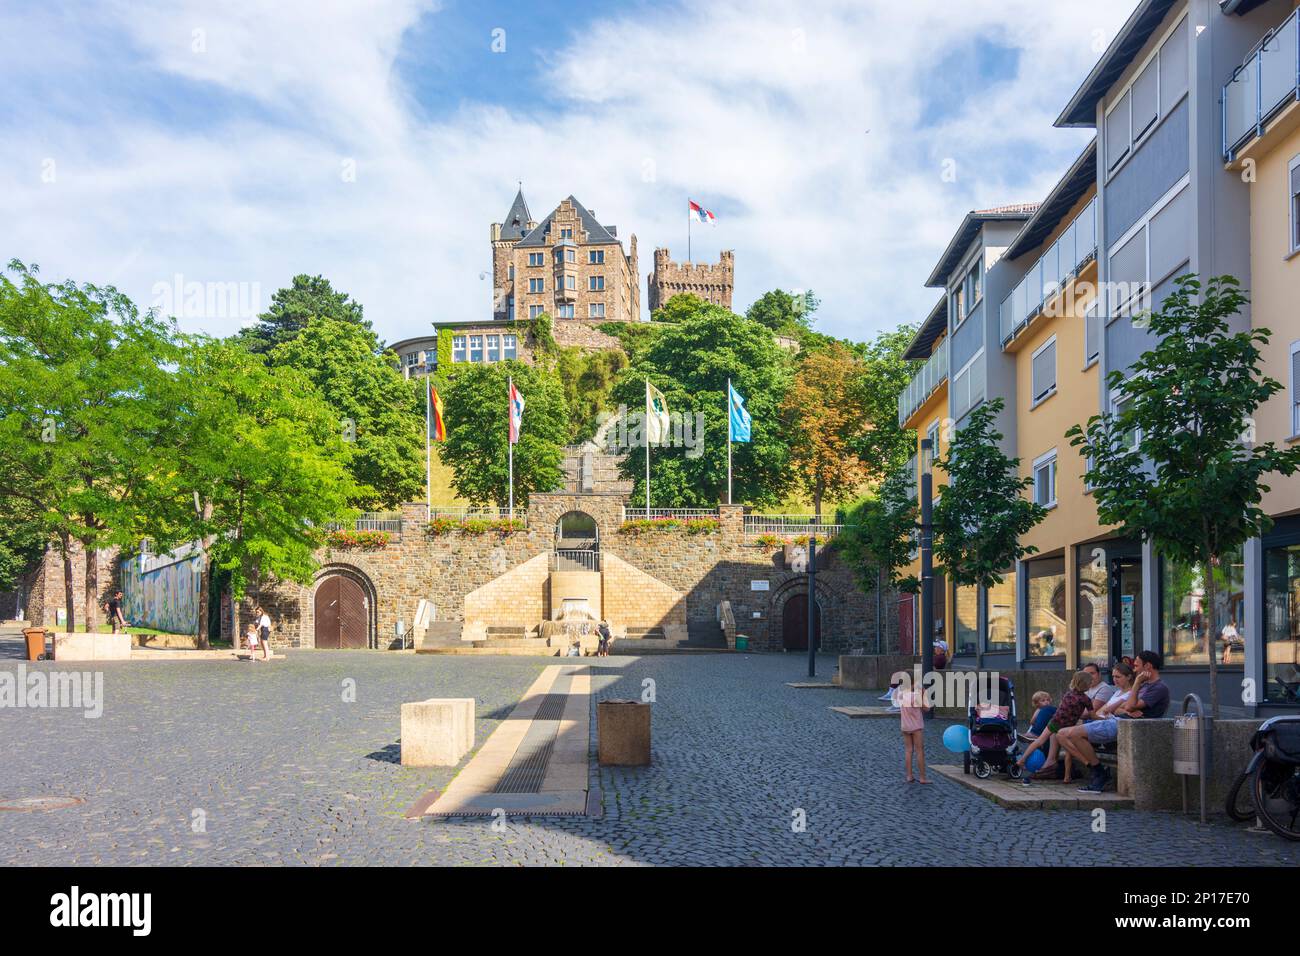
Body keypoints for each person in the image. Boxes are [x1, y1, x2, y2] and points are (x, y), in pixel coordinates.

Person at [1062, 651, 1169, 793]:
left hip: (1127, 726)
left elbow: (1128, 706)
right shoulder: (1144, 686)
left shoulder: (1157, 688)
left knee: (1073, 733)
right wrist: (1126, 707)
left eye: (1137, 666)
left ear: (1148, 666)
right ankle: (1098, 771)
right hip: (1119, 720)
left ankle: (1099, 773)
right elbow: (1122, 708)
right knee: (1062, 733)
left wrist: (1136, 684)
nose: (1135, 669)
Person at [1017, 671, 1095, 782]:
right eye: (1090, 682)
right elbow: (1092, 715)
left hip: (1055, 722)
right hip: (1068, 727)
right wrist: (1104, 719)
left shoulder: (1068, 694)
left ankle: (1022, 760)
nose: (1091, 684)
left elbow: (1062, 708)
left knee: (1039, 740)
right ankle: (1067, 776)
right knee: (1069, 751)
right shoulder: (1086, 699)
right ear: (1086, 684)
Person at [893, 677, 931, 784]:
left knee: (908, 751)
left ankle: (909, 776)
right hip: (916, 727)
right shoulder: (915, 696)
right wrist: (924, 693)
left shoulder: (900, 695)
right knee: (920, 751)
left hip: (905, 726)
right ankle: (923, 778)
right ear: (912, 683)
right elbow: (927, 708)